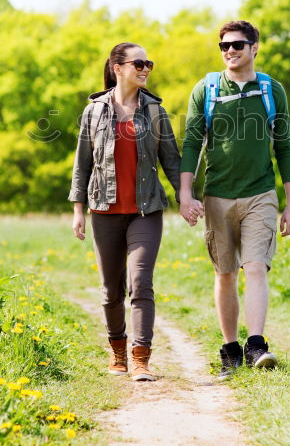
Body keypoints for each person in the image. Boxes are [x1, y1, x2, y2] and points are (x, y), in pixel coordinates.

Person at [179, 20, 290, 377]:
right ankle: (230, 349)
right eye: (224, 46)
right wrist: (185, 194)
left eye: (237, 45)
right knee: (226, 274)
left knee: (256, 267)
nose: (230, 51)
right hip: (217, 195)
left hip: (261, 193)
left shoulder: (270, 90)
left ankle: (257, 345)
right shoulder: (206, 89)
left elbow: (284, 147)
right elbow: (190, 144)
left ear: (255, 47)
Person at [68, 42, 188, 382]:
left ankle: (140, 359)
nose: (146, 68)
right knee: (110, 290)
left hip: (145, 210)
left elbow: (172, 161)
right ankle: (117, 351)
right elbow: (82, 165)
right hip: (103, 210)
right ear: (118, 68)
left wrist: (186, 198)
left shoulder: (155, 112)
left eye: (149, 63)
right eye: (139, 63)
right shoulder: (93, 112)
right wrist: (79, 211)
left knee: (141, 282)